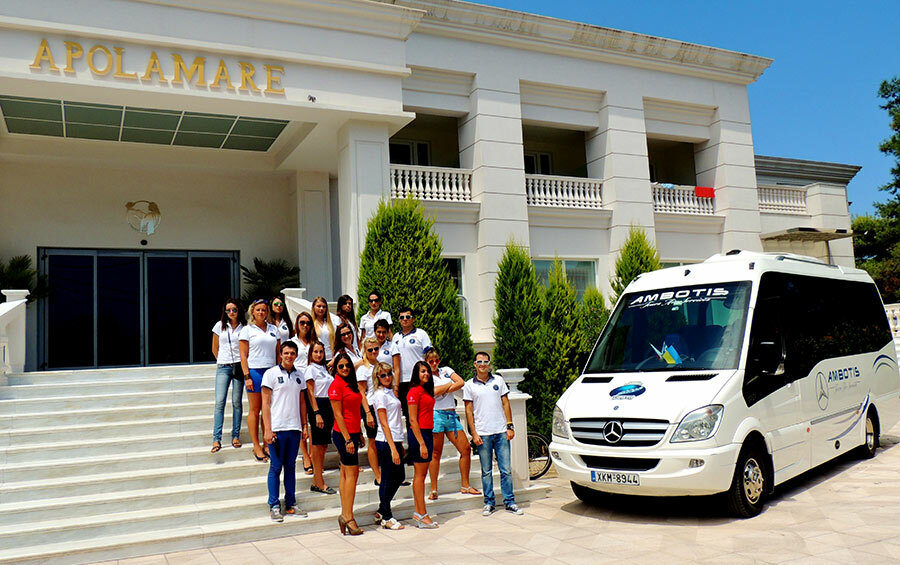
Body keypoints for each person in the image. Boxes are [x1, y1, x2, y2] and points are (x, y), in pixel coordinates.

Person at [463, 352, 523, 516]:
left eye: (485, 361)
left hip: (501, 431)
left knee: (506, 470)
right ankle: (489, 503)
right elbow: (468, 410)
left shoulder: (498, 381)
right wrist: (474, 433)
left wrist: (510, 426)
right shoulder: (469, 385)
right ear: (475, 364)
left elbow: (506, 403)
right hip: (483, 433)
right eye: (479, 362)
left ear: (489, 364)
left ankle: (510, 502)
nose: (482, 364)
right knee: (486, 471)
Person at [261, 341, 309, 522]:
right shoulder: (271, 374)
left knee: (290, 467)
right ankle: (274, 505)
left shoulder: (299, 375)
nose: (289, 356)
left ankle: (291, 504)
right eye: (286, 353)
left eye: (292, 353)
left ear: (296, 355)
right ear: (281, 354)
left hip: (294, 427)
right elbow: (265, 403)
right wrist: (267, 429)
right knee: (275, 466)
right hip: (277, 428)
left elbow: (302, 403)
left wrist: (304, 425)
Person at [425, 349, 479, 499]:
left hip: (451, 415)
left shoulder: (446, 370)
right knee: (436, 453)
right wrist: (449, 385)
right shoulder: (426, 375)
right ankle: (434, 489)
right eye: (431, 361)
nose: (434, 363)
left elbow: (461, 382)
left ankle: (465, 485)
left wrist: (443, 389)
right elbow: (432, 392)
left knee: (465, 449)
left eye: (436, 360)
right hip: (436, 415)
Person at [329, 352, 366, 536]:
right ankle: (349, 517)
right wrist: (348, 439)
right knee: (351, 474)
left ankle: (345, 514)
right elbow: (338, 414)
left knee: (346, 473)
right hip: (343, 434)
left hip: (353, 432)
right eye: (341, 366)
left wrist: (358, 434)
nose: (345, 368)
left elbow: (355, 411)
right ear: (336, 368)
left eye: (347, 365)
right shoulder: (336, 385)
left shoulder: (351, 384)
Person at [239, 299, 280, 462]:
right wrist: (247, 376)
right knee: (255, 410)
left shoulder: (273, 329)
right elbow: (243, 355)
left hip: (271, 372)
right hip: (255, 372)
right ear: (252, 312)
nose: (261, 312)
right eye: (258, 310)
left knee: (267, 409)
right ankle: (256, 445)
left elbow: (278, 353)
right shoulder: (247, 330)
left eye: (264, 310)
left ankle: (266, 443)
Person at [372, 362, 405, 530]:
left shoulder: (391, 392)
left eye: (389, 374)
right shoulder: (380, 395)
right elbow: (384, 423)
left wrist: (399, 444)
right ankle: (387, 516)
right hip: (385, 441)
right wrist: (393, 448)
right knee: (387, 478)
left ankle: (382, 508)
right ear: (378, 377)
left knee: (399, 476)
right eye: (383, 375)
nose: (387, 377)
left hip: (395, 438)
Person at [211, 298, 245, 453]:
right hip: (224, 367)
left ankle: (235, 436)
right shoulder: (219, 326)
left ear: (239, 310)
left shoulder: (245, 327)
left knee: (237, 402)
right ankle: (216, 439)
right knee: (220, 402)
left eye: (234, 309)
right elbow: (214, 347)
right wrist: (222, 360)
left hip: (239, 366)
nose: (231, 312)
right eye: (228, 310)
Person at [407, 361, 438, 528]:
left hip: (427, 432)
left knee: (422, 474)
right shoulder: (414, 391)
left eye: (427, 371)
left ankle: (419, 513)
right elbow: (412, 419)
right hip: (419, 435)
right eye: (423, 371)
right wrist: (421, 443)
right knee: (419, 475)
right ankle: (421, 514)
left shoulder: (426, 390)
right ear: (416, 374)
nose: (426, 374)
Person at [304, 341, 336, 494]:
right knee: (317, 445)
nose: (318, 354)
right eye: (315, 351)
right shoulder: (310, 369)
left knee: (323, 445)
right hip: (318, 406)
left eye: (321, 351)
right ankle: (319, 481)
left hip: (328, 405)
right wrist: (316, 413)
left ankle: (317, 480)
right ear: (311, 353)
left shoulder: (324, 368)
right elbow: (310, 392)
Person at [391, 307, 432, 418]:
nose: (405, 319)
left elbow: (430, 355)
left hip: (418, 380)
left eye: (408, 317)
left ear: (413, 319)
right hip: (402, 381)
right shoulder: (395, 337)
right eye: (402, 317)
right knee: (408, 414)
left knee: (421, 413)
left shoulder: (421, 334)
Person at [291, 312, 317, 475]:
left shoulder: (314, 342)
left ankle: (313, 455)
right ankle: (305, 456)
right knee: (301, 421)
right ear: (297, 324)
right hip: (297, 384)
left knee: (313, 421)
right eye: (302, 322)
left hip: (313, 384)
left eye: (308, 323)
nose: (305, 325)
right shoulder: (292, 342)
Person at [356, 337, 381, 485]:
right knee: (373, 441)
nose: (373, 352)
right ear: (365, 351)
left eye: (376, 349)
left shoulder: (381, 365)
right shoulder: (363, 369)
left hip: (383, 406)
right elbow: (361, 393)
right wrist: (367, 413)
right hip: (371, 406)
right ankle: (377, 474)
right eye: (370, 349)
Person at [311, 296, 341, 363]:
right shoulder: (310, 323)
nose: (321, 309)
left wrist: (334, 358)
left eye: (324, 307)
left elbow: (337, 342)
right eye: (319, 306)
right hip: (316, 358)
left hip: (331, 357)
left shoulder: (332, 323)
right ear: (314, 307)